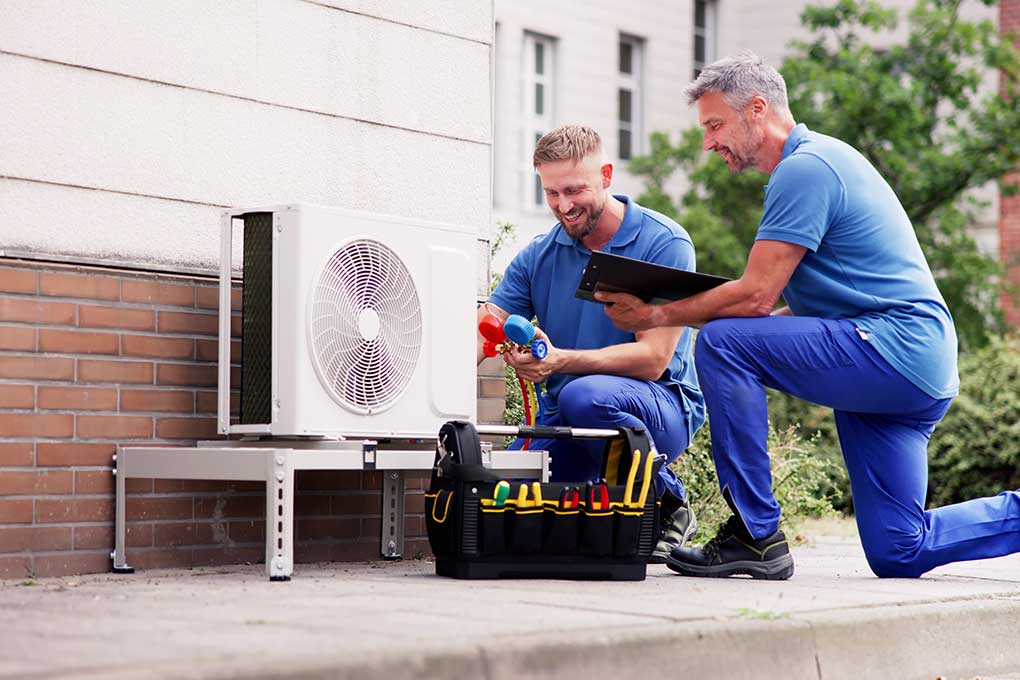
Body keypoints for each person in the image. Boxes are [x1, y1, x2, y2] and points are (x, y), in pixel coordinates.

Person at [601, 51, 1020, 580]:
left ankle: (755, 533)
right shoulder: (820, 162)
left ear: (757, 108)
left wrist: (659, 314)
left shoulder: (805, 169)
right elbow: (794, 301)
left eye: (715, 124)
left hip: (893, 347)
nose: (709, 142)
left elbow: (753, 297)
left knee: (724, 342)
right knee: (899, 549)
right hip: (911, 366)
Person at [479, 125, 706, 561]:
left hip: (659, 408)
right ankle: (616, 502)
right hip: (567, 417)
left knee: (586, 394)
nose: (563, 206)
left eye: (574, 190)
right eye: (551, 193)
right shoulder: (539, 255)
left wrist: (559, 361)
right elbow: (485, 325)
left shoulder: (663, 243)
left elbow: (654, 360)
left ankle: (667, 499)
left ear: (606, 175)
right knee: (497, 498)